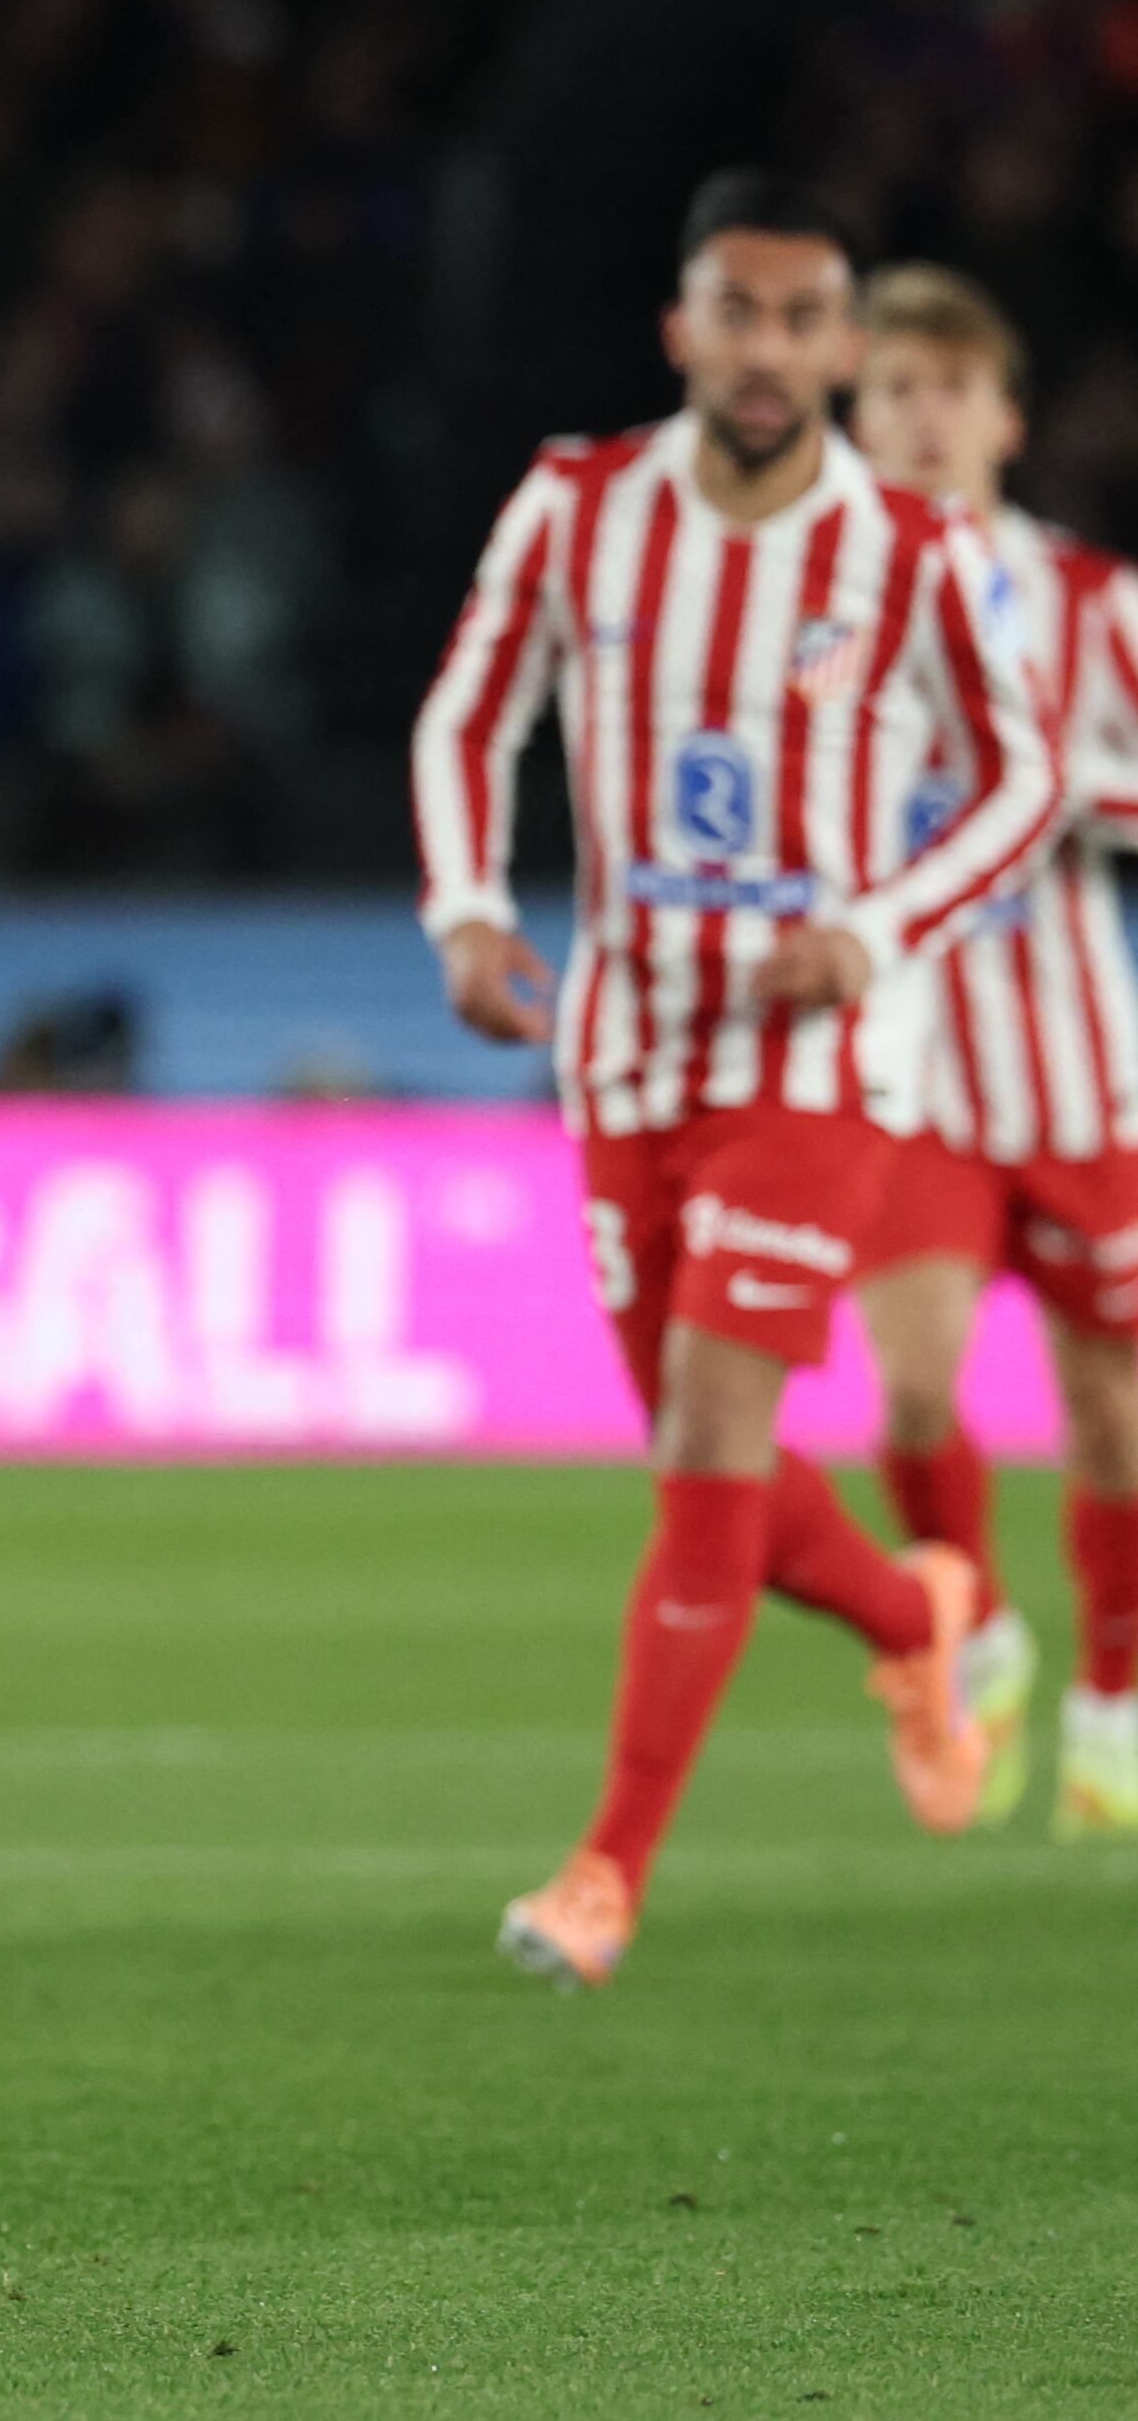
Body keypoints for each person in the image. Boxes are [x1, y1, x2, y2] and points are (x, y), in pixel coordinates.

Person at [412, 172, 1057, 1991]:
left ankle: (603, 1872)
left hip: (814, 1058)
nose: (763, 350)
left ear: (842, 348)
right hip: (620, 1049)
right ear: (679, 326)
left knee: (704, 1453)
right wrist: (465, 911)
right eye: (733, 311)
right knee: (705, 1453)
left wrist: (876, 922)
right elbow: (469, 710)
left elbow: (1013, 779)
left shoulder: (909, 555)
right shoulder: (576, 503)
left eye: (799, 320)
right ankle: (910, 1606)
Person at [837, 265, 1138, 1835]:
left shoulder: (1097, 606)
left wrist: (1068, 790)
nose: (926, 418)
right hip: (913, 1076)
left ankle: (1115, 1691)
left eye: (952, 390)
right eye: (894, 391)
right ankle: (981, 1630)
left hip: (1082, 1075)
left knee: (1112, 1413)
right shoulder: (811, 618)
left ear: (1005, 420)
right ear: (859, 420)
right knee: (910, 1393)